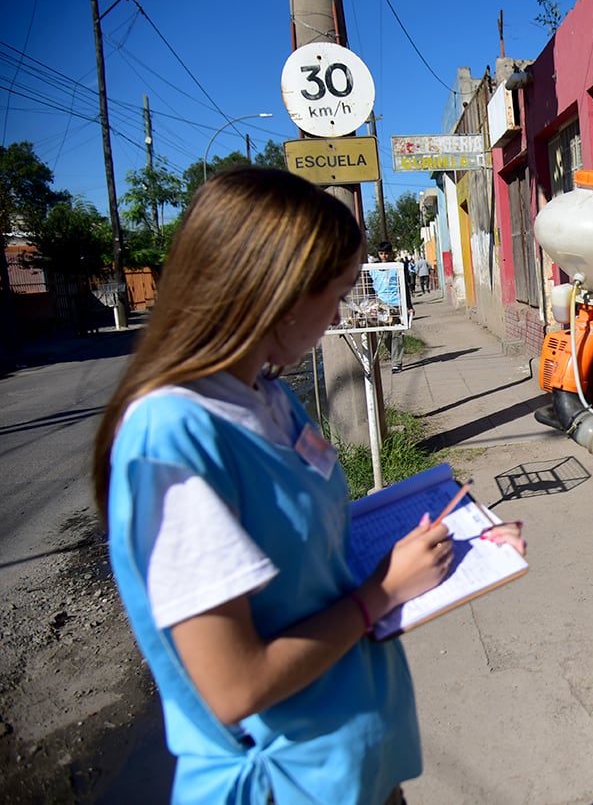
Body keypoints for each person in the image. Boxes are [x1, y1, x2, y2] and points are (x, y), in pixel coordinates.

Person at [90, 167, 524, 804]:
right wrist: (380, 594)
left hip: (354, 764)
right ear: (284, 295)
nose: (342, 311)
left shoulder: (263, 393)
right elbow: (233, 685)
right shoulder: (172, 438)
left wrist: (463, 539)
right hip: (289, 782)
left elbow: (311, 541)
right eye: (339, 291)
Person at [374, 241, 414, 373]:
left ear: (390, 254)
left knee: (397, 333)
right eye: (381, 253)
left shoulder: (397, 267)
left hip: (397, 303)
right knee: (385, 336)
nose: (384, 256)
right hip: (382, 306)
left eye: (386, 253)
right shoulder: (374, 270)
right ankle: (394, 354)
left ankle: (397, 362)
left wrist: (409, 306)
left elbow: (405, 287)